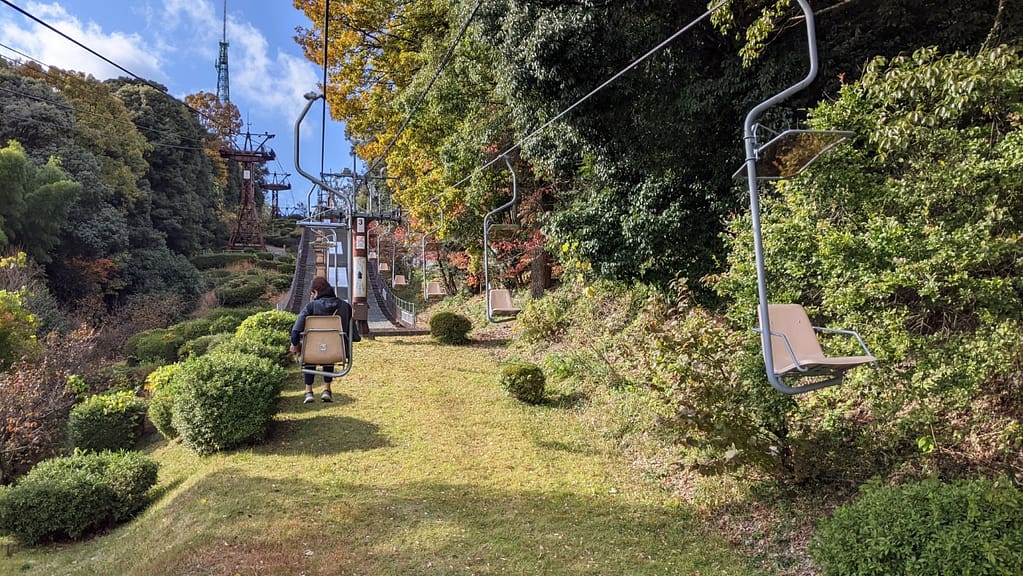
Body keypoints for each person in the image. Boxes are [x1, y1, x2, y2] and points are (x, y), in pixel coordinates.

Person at [289, 276, 356, 403]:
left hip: (312, 352)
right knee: (329, 347)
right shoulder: (345, 307)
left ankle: (308, 391)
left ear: (316, 292)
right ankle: (327, 389)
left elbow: (296, 330)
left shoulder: (310, 307)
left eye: (312, 293)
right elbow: (353, 334)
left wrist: (294, 343)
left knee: (312, 348)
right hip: (337, 352)